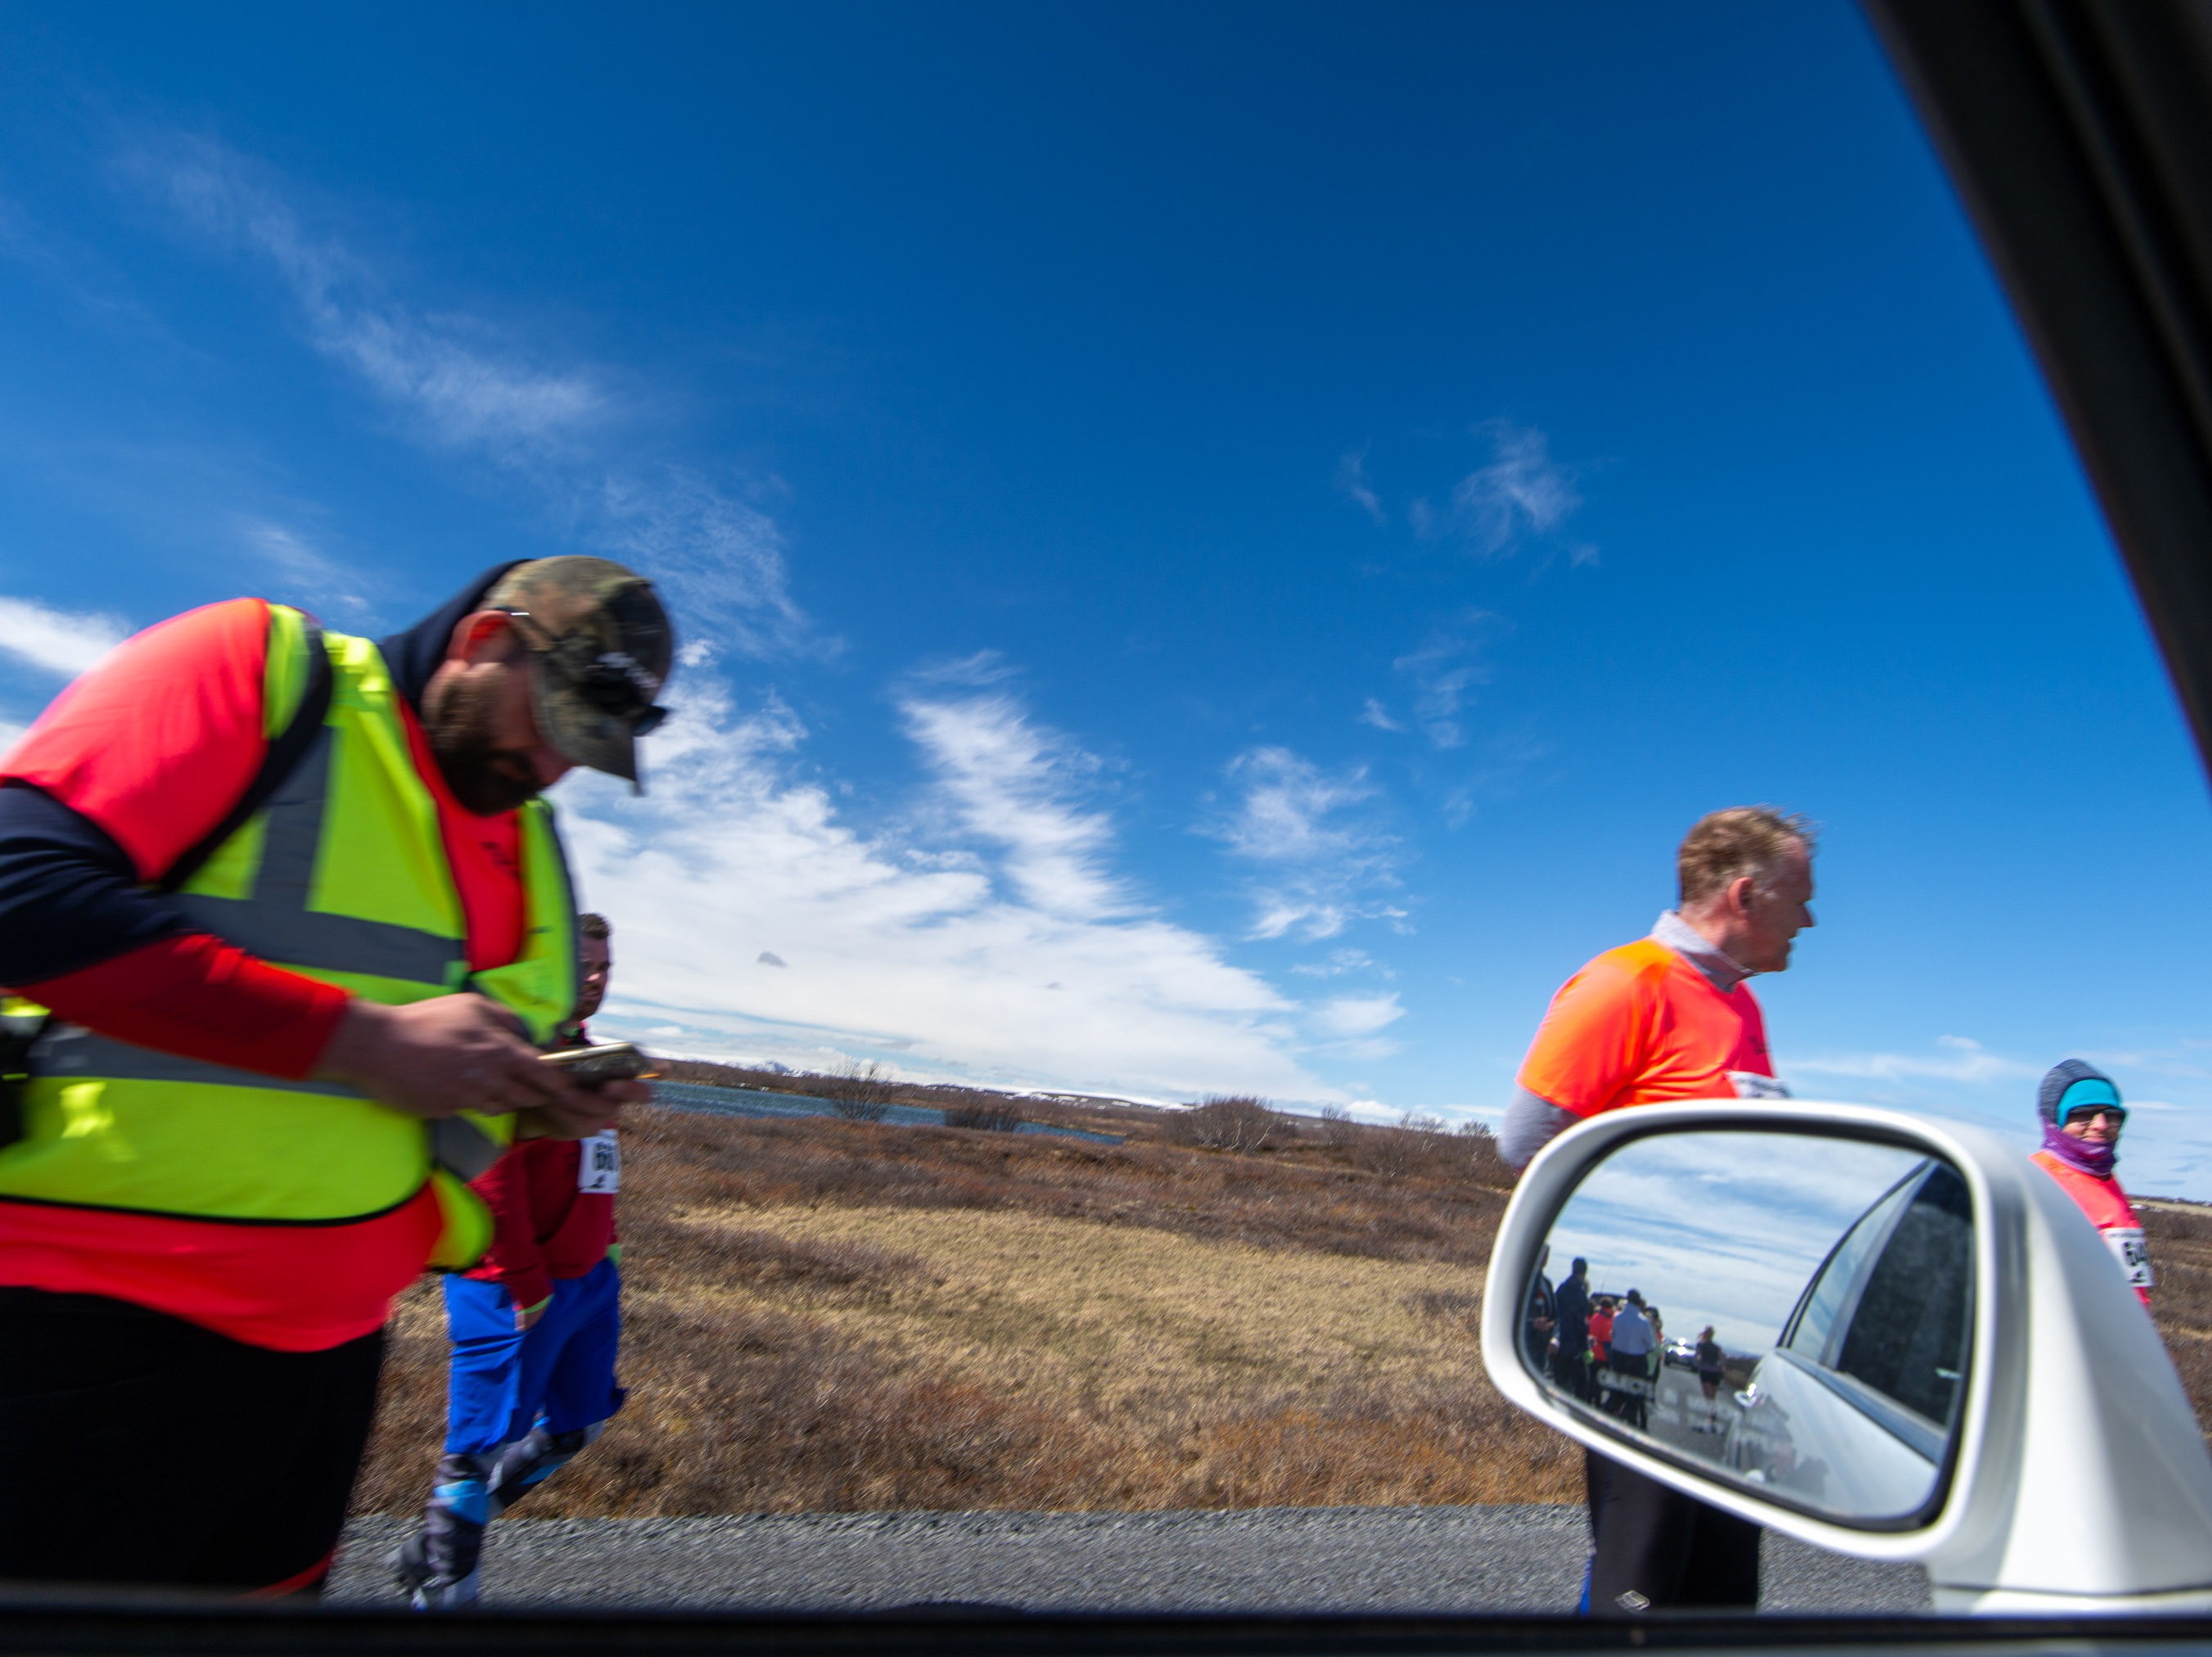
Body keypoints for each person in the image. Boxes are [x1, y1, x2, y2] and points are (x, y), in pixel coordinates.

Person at [0, 558, 670, 1595]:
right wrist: (357, 1039)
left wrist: (537, 1102)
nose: (551, 766)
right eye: (549, 723)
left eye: (581, 749)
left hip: (328, 1357)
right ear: (483, 641)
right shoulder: (262, 669)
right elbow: (20, 889)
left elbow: (439, 1077)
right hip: (71, 1333)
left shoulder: (527, 841)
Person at [1501, 806, 1817, 1616]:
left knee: (1722, 1588)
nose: (1810, 919)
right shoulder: (1626, 982)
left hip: (1725, 1349)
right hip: (1643, 1372)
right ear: (1744, 894)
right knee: (1640, 1578)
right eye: (1800, 897)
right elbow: (1527, 1140)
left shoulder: (1742, 1007)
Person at [393, 910, 630, 1610]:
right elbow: (489, 1173)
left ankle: (433, 1546)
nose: (596, 978)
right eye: (584, 964)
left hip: (589, 1283)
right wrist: (529, 1285)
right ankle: (442, 1598)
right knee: (475, 1457)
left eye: (606, 968)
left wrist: (607, 1254)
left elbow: (595, 1166)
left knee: (578, 1426)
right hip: (511, 1287)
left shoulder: (590, 1056)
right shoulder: (516, 1048)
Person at [2032, 1059, 2153, 1309]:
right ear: (2055, 1119)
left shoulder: (2105, 1178)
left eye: (2113, 1115)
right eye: (2083, 1113)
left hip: (2123, 1327)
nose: (2101, 1125)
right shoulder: (2035, 1180)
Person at [1606, 1290, 1658, 1430]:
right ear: (1639, 1302)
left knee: (1616, 1392)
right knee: (1634, 1396)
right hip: (1637, 1362)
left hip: (1619, 1359)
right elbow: (1650, 1346)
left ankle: (1607, 1421)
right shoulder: (1643, 1322)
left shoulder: (1618, 1318)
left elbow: (1613, 1336)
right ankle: (1629, 1422)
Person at [1553, 1257, 1593, 1402]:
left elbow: (1555, 1313)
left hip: (1559, 1344)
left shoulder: (1562, 1288)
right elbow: (1579, 1323)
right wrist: (1585, 1347)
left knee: (1560, 1386)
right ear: (1585, 1272)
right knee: (1582, 1386)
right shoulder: (1580, 1291)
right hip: (1574, 1348)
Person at [1522, 1245, 1560, 1379]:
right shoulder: (1520, 1281)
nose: (1544, 1258)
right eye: (1541, 1253)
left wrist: (1555, 1339)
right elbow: (1508, 1314)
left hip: (1542, 1351)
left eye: (1546, 1254)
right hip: (1523, 1347)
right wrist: (1532, 1323)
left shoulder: (1546, 1283)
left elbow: (1555, 1316)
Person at [1694, 1327, 1727, 1434]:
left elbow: (1696, 1357)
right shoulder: (1716, 1347)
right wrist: (1722, 1367)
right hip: (1715, 1372)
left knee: (1707, 1395)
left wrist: (1701, 1360)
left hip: (1705, 1371)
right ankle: (1712, 1414)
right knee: (1713, 1395)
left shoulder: (1700, 1345)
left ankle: (1711, 1415)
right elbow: (1722, 1359)